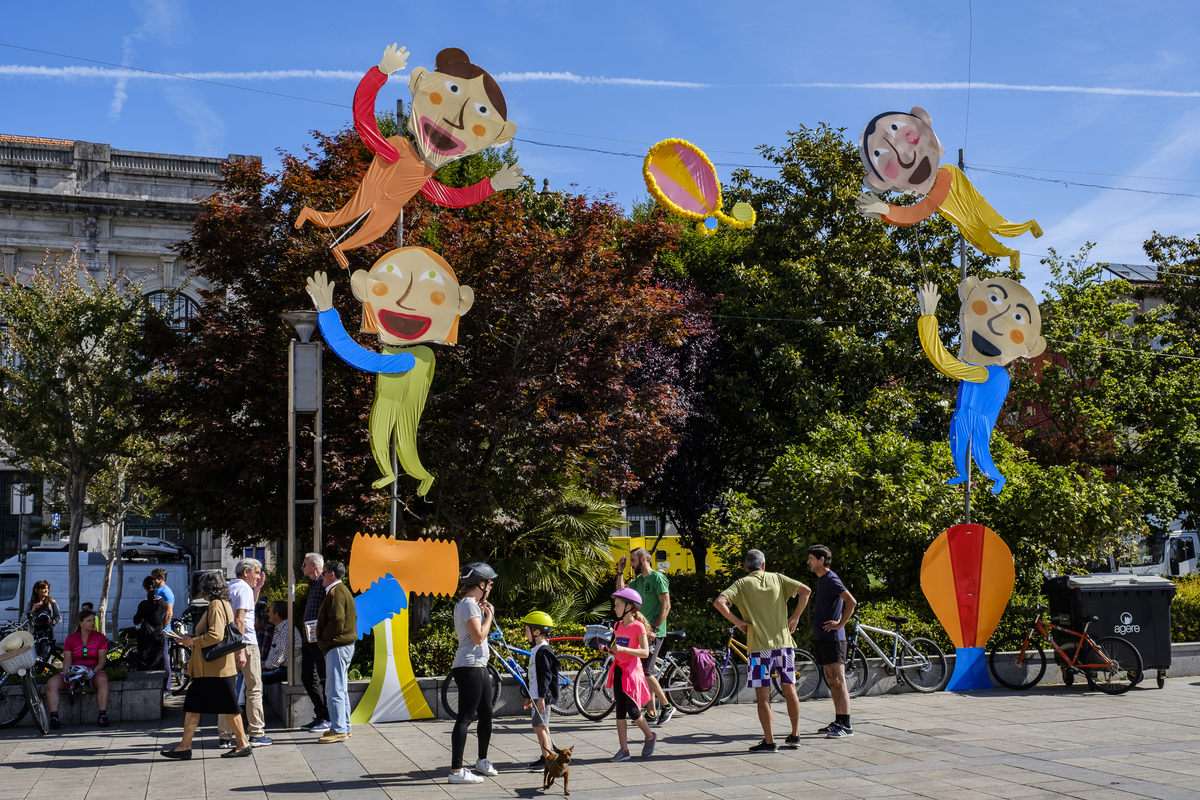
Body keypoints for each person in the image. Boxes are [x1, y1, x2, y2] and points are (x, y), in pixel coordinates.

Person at [714, 549, 812, 752]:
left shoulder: (741, 584)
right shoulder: (778, 578)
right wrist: (795, 617)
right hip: (784, 645)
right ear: (764, 565)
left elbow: (719, 602)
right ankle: (795, 735)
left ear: (745, 567)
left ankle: (769, 741)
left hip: (759, 649)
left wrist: (738, 622)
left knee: (763, 695)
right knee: (789, 688)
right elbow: (806, 591)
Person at [160, 572, 252, 760]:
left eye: (203, 588)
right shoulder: (225, 604)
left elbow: (216, 636)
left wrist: (192, 642)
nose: (201, 591)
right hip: (217, 668)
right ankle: (185, 746)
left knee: (226, 706)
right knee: (197, 704)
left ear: (208, 588)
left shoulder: (216, 605)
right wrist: (189, 639)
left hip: (214, 668)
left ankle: (243, 743)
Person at [447, 562, 500, 784]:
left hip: (478, 665)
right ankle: (456, 771)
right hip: (469, 666)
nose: (490, 586)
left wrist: (483, 610)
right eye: (489, 582)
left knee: (486, 714)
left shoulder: (469, 604)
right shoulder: (468, 604)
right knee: (466, 717)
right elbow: (479, 637)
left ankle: (482, 760)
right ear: (480, 583)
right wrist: (490, 616)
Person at [615, 548, 674, 724]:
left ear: (642, 560)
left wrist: (654, 629)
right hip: (641, 631)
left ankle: (667, 705)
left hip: (653, 633)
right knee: (642, 672)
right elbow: (620, 593)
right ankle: (651, 712)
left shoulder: (657, 578)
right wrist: (620, 571)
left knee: (646, 672)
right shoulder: (638, 581)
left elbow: (666, 605)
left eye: (632, 561)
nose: (631, 564)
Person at [218, 557, 270, 748]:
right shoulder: (245, 589)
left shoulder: (229, 588)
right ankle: (256, 733)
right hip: (245, 643)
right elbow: (241, 620)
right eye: (257, 572)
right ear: (246, 571)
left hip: (227, 643)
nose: (259, 576)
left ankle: (225, 735)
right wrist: (240, 650)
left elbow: (247, 612)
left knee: (228, 690)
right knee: (254, 688)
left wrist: (257, 590)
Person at [807, 545, 858, 739]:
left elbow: (850, 601)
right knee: (831, 680)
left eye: (811, 558)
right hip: (823, 638)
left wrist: (840, 624)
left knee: (839, 680)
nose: (808, 562)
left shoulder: (831, 578)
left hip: (834, 639)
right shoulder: (821, 580)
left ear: (822, 560)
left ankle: (846, 724)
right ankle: (838, 720)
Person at [606, 587, 656, 762]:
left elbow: (644, 652)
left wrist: (623, 649)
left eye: (618, 605)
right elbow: (619, 649)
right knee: (619, 711)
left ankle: (650, 737)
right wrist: (610, 651)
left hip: (632, 673)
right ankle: (624, 750)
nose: (615, 608)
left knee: (633, 711)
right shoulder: (617, 625)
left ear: (629, 606)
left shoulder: (638, 626)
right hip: (619, 670)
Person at [46, 607, 109, 728]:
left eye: (93, 620)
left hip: (93, 670)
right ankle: (54, 717)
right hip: (74, 671)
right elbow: (67, 661)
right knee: (52, 683)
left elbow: (102, 662)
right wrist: (67, 675)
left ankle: (102, 716)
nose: (92, 623)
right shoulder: (70, 639)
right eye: (89, 621)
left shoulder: (100, 638)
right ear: (81, 623)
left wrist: (92, 672)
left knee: (103, 680)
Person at [316, 561, 357, 744]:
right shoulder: (341, 590)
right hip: (343, 645)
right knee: (340, 688)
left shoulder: (335, 592)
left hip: (337, 646)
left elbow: (337, 620)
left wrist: (324, 638)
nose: (321, 577)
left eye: (323, 573)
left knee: (333, 689)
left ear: (331, 574)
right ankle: (344, 726)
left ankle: (339, 728)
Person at [521, 611, 560, 770]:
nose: (525, 633)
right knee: (542, 726)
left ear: (536, 632)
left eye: (527, 629)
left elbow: (545, 676)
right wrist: (530, 695)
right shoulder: (537, 649)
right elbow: (534, 677)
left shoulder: (543, 651)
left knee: (539, 726)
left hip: (542, 696)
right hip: (537, 695)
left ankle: (548, 760)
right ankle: (547, 756)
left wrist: (542, 697)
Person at [299, 552, 330, 731]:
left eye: (304, 564)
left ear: (314, 564)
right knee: (307, 677)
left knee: (324, 676)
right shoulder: (313, 585)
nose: (302, 567)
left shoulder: (323, 584)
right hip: (308, 638)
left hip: (318, 639)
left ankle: (327, 717)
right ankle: (320, 714)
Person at [261, 601, 302, 685]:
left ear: (276, 615)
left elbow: (276, 661)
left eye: (270, 611)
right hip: (282, 667)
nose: (268, 614)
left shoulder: (286, 630)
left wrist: (258, 667)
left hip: (289, 670)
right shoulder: (281, 628)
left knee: (255, 676)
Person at [133, 576, 166, 670]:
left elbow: (136, 620)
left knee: (145, 667)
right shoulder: (161, 601)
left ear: (144, 588)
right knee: (158, 667)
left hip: (146, 637)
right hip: (158, 635)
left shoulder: (143, 604)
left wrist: (144, 619)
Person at [151, 568, 175, 690]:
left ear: (162, 578)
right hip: (155, 629)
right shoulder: (157, 590)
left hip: (162, 631)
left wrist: (161, 628)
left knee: (164, 659)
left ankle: (167, 688)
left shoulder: (166, 592)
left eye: (154, 578)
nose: (153, 580)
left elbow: (169, 613)